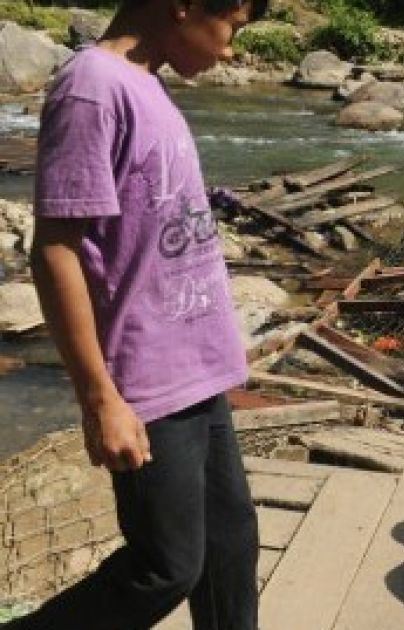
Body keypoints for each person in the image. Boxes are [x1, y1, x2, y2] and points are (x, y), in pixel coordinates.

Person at [8, 0, 266, 628]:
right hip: (148, 382)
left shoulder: (144, 83)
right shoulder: (92, 88)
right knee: (166, 567)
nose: (230, 50)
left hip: (198, 369)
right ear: (182, 7)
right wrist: (101, 400)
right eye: (232, 29)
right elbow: (56, 249)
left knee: (230, 547)